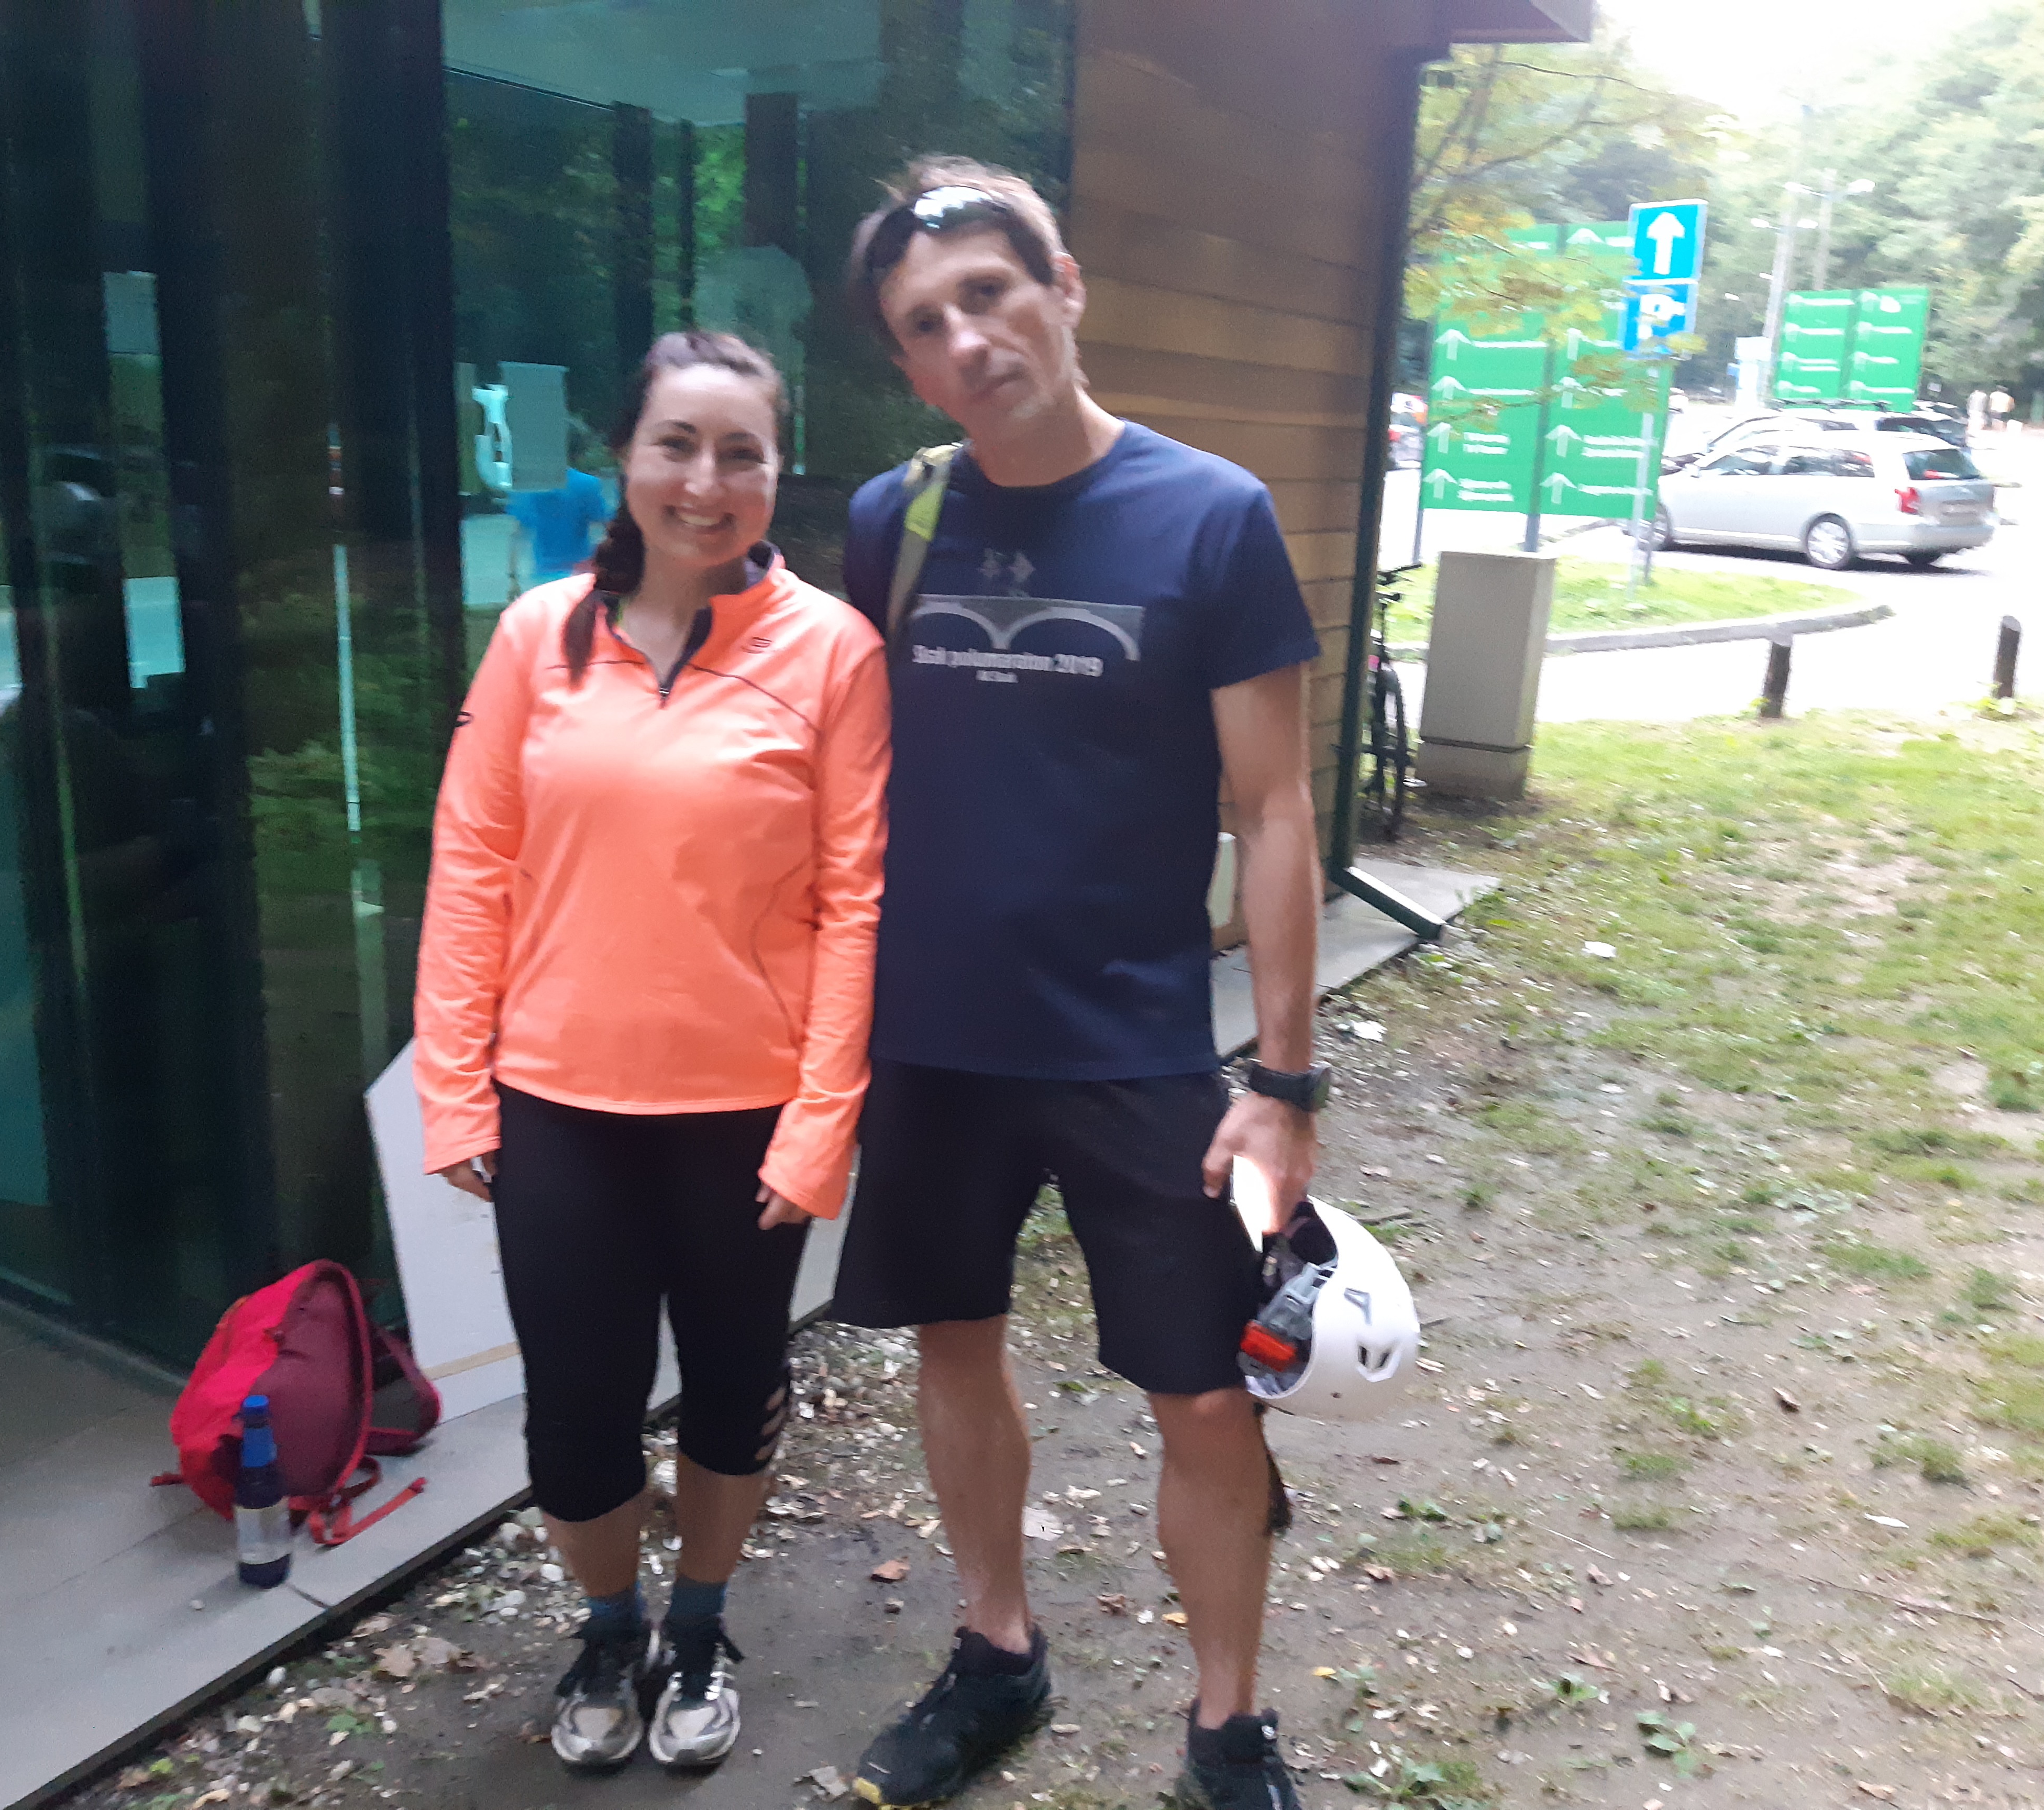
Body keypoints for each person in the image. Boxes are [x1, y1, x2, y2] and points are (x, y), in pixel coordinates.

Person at [830, 159, 1329, 1810]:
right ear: (908, 367)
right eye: (925, 324)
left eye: (989, 293)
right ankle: (997, 1651)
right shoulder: (891, 526)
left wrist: (1283, 1084)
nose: (967, 339)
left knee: (1206, 1395)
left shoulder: (1211, 515)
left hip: (1135, 1045)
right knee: (953, 1345)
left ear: (1065, 289)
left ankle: (1228, 1731)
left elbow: (1274, 809)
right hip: (934, 1041)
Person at [414, 330, 889, 1775]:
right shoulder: (537, 635)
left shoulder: (834, 651)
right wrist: (454, 1089)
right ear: (624, 458)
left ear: (777, 473)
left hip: (747, 1113)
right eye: (677, 444)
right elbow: (472, 862)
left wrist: (821, 1123)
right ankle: (607, 1627)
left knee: (735, 1390)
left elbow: (856, 900)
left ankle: (698, 1625)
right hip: (558, 1102)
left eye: (742, 452)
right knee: (577, 1417)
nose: (706, 480)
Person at [506, 460, 614, 588]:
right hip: (581, 571)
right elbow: (607, 526)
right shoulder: (587, 484)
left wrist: (513, 578)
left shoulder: (529, 488)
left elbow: (518, 534)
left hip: (544, 573)